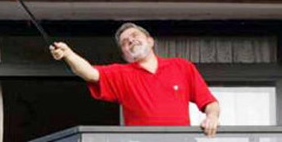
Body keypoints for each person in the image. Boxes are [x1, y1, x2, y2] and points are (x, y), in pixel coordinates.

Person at [49, 22, 220, 137]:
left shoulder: (181, 66)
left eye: (135, 35)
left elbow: (210, 103)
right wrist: (68, 54)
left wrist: (212, 118)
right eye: (125, 42)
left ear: (150, 41)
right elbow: (89, 72)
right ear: (125, 55)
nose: (131, 40)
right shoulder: (121, 73)